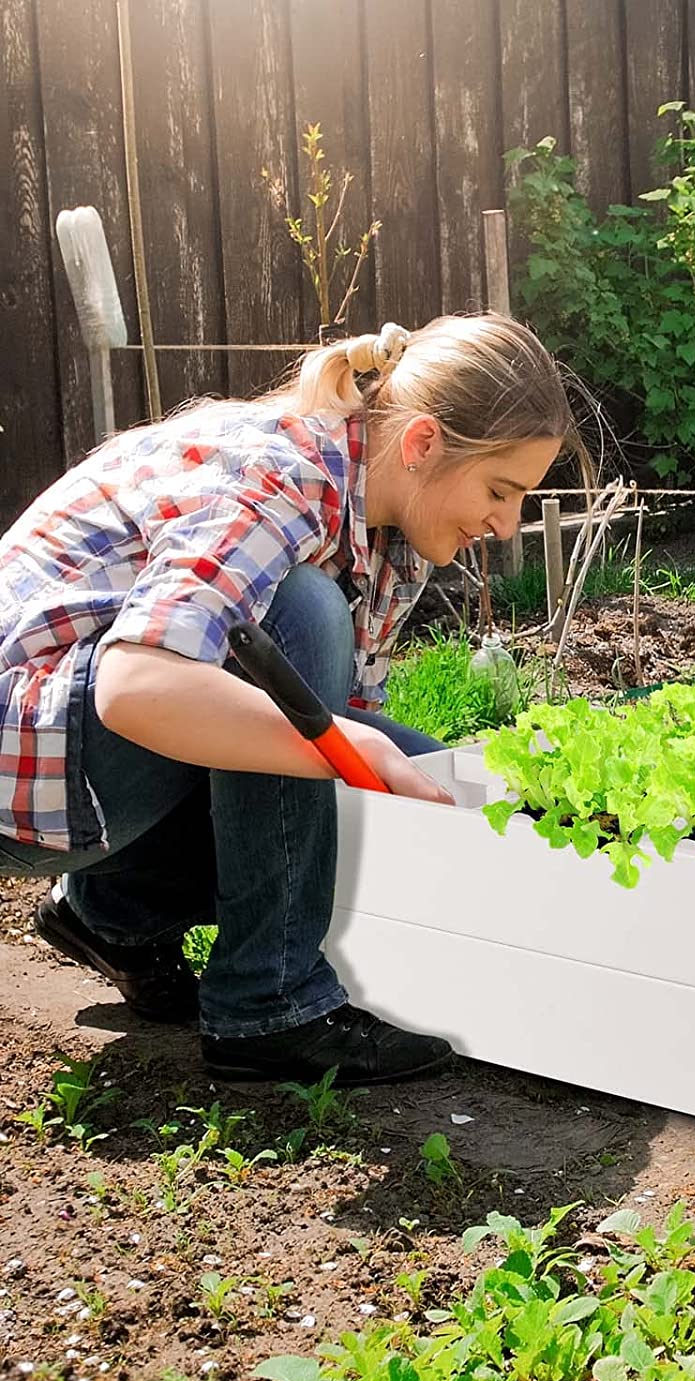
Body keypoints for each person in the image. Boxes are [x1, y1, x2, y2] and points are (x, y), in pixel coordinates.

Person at [1, 314, 581, 1080]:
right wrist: (348, 745)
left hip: (90, 771)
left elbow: (336, 753)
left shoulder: (388, 530)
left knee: (428, 774)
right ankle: (268, 1007)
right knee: (296, 613)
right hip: (28, 759)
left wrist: (442, 794)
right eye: (500, 492)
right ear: (422, 444)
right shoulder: (281, 474)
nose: (506, 526)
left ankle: (114, 916)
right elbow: (136, 685)